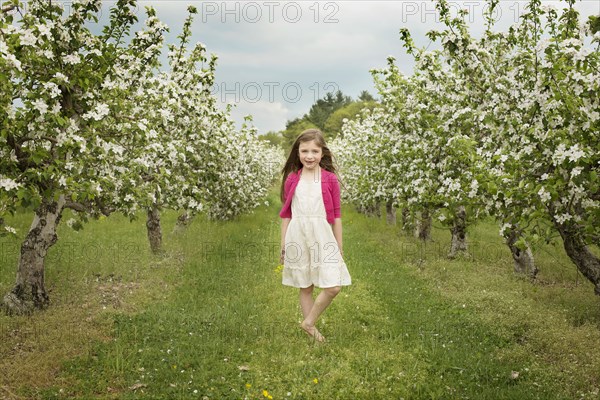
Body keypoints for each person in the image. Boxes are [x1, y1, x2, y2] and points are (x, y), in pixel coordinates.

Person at [279, 128, 352, 342]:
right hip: (298, 235)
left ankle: (308, 321)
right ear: (298, 153)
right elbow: (286, 214)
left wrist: (339, 244)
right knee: (306, 284)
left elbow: (336, 215)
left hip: (322, 236)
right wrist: (283, 244)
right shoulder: (293, 179)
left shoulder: (329, 179)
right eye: (304, 151)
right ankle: (312, 331)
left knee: (333, 286)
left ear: (322, 153)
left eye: (314, 151)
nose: (309, 156)